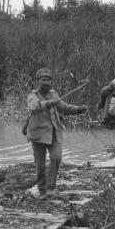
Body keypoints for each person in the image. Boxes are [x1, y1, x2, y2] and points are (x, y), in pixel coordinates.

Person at [26, 68, 88, 198]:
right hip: (38, 135)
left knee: (56, 157)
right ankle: (42, 191)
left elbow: (64, 107)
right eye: (44, 80)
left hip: (54, 133)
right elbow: (34, 107)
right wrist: (47, 103)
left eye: (48, 80)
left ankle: (50, 187)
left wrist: (78, 109)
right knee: (40, 165)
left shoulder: (54, 94)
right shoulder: (32, 95)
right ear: (38, 81)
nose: (46, 83)